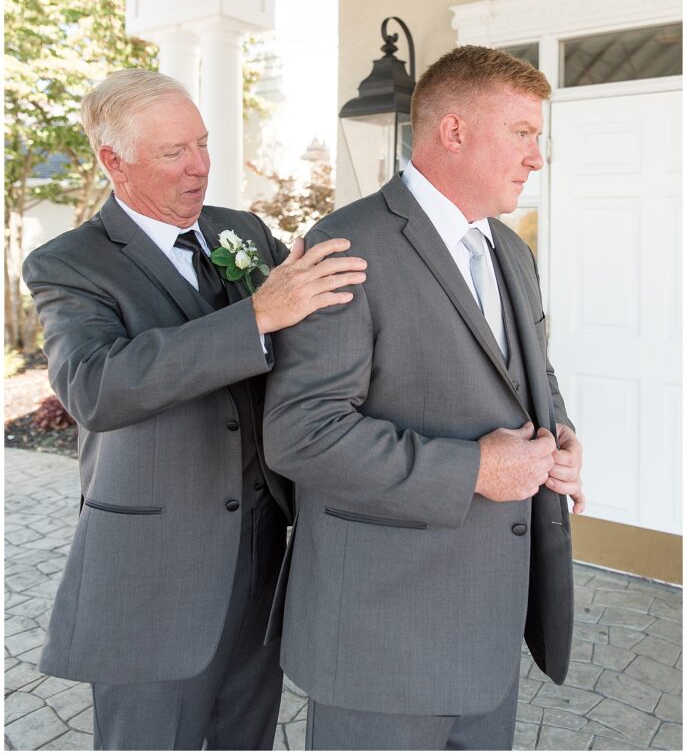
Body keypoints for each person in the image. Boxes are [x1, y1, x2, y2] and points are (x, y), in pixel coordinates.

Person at [21, 69, 367, 751]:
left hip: (262, 554)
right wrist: (257, 315)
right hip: (151, 573)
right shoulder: (69, 263)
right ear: (113, 161)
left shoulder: (241, 231)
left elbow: (305, 348)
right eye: (174, 152)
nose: (200, 167)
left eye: (203, 144)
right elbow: (95, 386)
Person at [263, 45, 584, 751]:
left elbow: (532, 373)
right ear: (454, 132)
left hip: (488, 630)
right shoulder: (345, 243)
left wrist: (558, 436)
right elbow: (301, 433)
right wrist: (473, 471)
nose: (538, 157)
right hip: (383, 638)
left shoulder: (511, 250)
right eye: (523, 134)